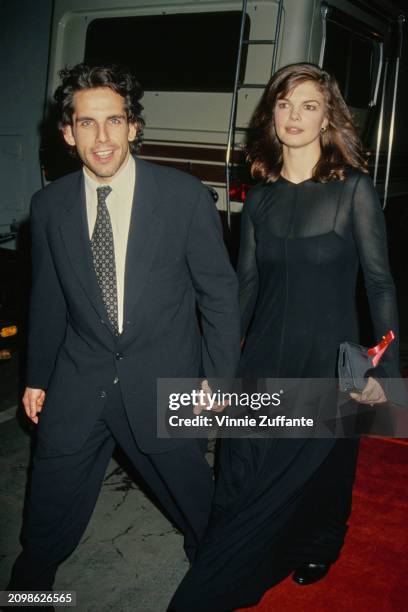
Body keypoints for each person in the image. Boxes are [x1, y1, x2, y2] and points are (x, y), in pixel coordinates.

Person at [169, 62, 403, 611]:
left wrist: (386, 373)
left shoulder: (354, 192)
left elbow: (381, 285)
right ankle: (235, 548)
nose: (294, 115)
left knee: (323, 463)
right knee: (241, 464)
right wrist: (219, 368)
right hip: (265, 353)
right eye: (284, 104)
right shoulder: (261, 197)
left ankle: (319, 544)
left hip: (327, 357)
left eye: (309, 106)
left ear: (328, 119)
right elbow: (242, 290)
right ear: (271, 116)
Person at [6, 63, 241, 595]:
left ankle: (214, 580)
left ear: (134, 125)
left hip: (165, 381)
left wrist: (218, 377)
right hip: (77, 379)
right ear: (67, 133)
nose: (103, 138)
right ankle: (29, 593)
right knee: (46, 509)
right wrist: (36, 375)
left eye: (114, 121)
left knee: (196, 506)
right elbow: (47, 299)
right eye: (87, 124)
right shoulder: (48, 207)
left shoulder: (184, 198)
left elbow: (219, 295)